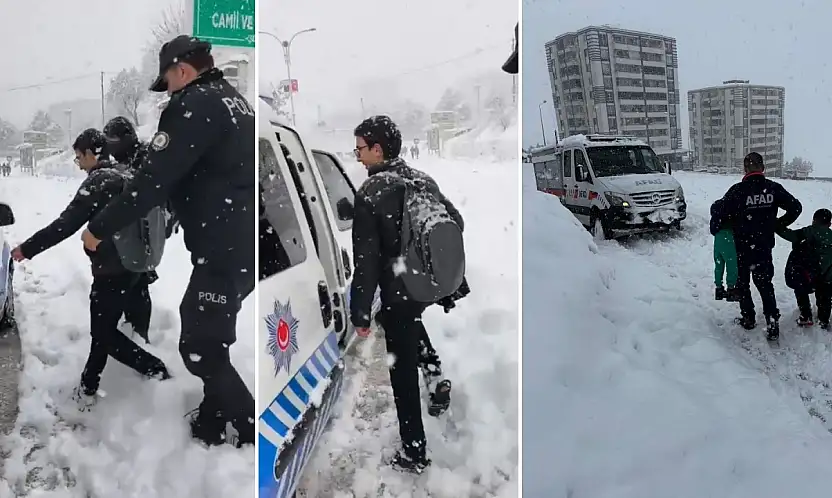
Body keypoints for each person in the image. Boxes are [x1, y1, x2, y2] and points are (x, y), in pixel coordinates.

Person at [80, 35, 255, 447]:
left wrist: (98, 227)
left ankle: (251, 433)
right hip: (242, 243)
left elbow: (150, 184)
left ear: (182, 71)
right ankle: (211, 424)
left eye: (169, 81)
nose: (169, 91)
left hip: (221, 249)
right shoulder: (234, 101)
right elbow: (208, 172)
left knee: (198, 346)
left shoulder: (193, 104)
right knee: (210, 337)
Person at [11, 129, 170, 409]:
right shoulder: (125, 173)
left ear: (89, 154)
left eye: (78, 157)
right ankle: (88, 386)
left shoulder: (99, 182)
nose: (78, 163)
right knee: (104, 328)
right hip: (135, 266)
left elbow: (66, 224)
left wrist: (28, 248)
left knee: (103, 333)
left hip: (112, 271)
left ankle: (155, 369)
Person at [350, 115, 467, 473]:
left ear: (377, 149)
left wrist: (360, 313)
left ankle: (414, 452)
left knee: (399, 372)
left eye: (360, 150)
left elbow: (366, 262)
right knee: (407, 320)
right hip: (426, 286)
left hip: (399, 289)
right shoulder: (421, 179)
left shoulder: (371, 192)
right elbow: (457, 221)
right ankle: (433, 374)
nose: (357, 157)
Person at [718, 152, 802, 340]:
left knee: (743, 283)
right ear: (763, 168)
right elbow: (796, 207)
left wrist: (734, 222)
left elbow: (722, 214)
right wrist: (778, 224)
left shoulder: (737, 190)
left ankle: (748, 318)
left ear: (745, 169)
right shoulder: (773, 188)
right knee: (765, 284)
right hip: (763, 247)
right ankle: (772, 322)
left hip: (741, 247)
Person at [777, 208, 832, 329]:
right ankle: (823, 320)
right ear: (829, 223)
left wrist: (776, 226)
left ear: (814, 221)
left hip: (809, 275)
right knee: (825, 297)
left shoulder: (808, 232)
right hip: (828, 276)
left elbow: (789, 235)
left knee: (799, 286)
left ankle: (806, 315)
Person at [709, 198, 739, 301]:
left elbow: (712, 229)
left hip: (718, 239)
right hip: (728, 238)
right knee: (732, 264)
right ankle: (731, 289)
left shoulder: (716, 213)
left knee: (719, 264)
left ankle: (719, 288)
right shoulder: (731, 212)